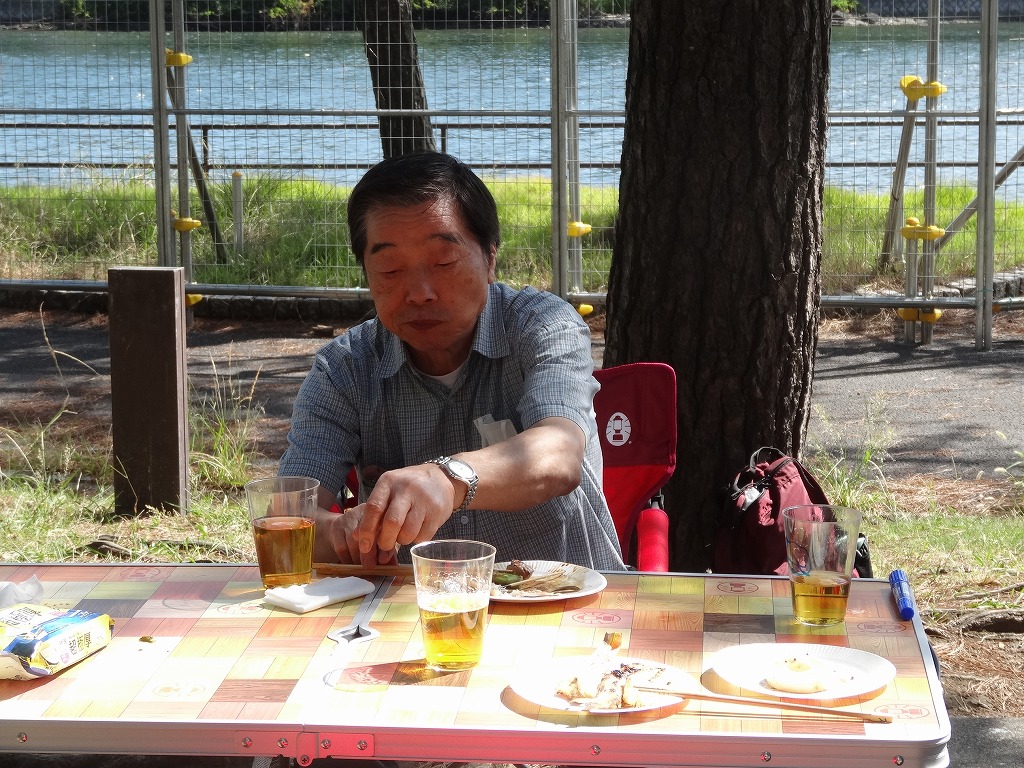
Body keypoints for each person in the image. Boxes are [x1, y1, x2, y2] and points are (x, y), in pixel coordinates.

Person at [279, 151, 625, 572]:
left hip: (565, 596)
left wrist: (449, 478)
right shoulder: (345, 370)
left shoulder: (543, 326)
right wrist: (340, 531)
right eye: (389, 269)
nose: (419, 293)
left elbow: (559, 453)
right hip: (417, 607)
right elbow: (286, 516)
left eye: (443, 262)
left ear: (490, 258)